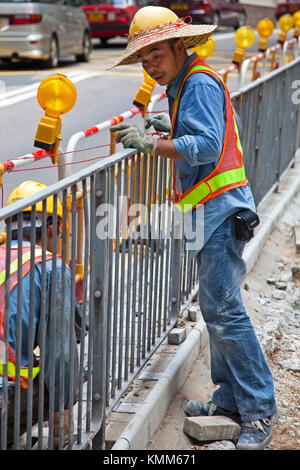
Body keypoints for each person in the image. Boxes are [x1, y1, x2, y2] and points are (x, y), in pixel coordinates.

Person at [110, 6, 279, 451]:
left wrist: (153, 141)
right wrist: (174, 125)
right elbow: (222, 128)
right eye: (144, 58)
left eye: (156, 54)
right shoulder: (185, 84)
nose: (150, 64)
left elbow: (205, 147)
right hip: (211, 211)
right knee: (215, 309)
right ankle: (229, 402)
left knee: (224, 312)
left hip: (220, 211)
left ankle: (259, 410)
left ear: (179, 46)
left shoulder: (198, 82)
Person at [0, 180, 78, 449]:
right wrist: (62, 424)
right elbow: (61, 354)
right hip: (4, 397)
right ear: (49, 228)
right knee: (70, 378)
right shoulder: (50, 268)